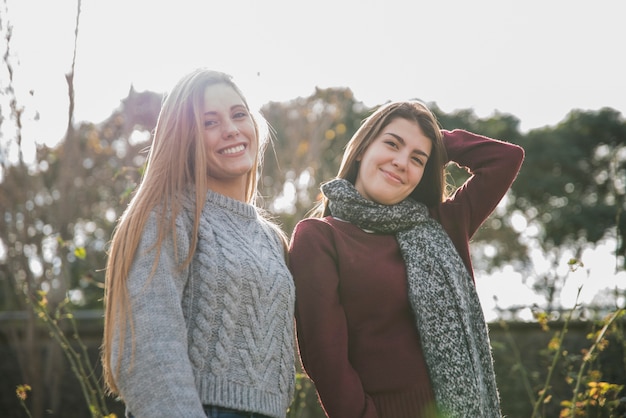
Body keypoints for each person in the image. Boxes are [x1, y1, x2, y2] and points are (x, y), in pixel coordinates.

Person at [288, 100, 524, 418]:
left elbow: (506, 159)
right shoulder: (320, 238)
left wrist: (436, 138)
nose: (401, 162)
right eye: (391, 144)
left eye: (417, 159)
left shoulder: (443, 225)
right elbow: (326, 360)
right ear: (361, 149)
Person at [101, 68, 296, 418]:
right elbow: (146, 350)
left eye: (239, 114)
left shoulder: (272, 239)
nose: (231, 129)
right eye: (209, 122)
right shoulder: (167, 217)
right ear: (184, 137)